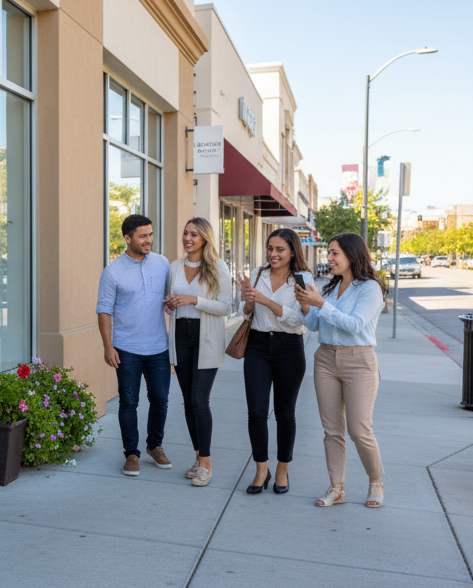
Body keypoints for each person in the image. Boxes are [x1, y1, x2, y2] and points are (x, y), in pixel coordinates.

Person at [296, 232, 386, 509]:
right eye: (329, 253)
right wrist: (305, 304)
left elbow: (355, 324)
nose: (329, 258)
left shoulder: (369, 288)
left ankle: (376, 481)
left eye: (335, 253)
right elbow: (313, 325)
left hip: (359, 361)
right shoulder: (329, 288)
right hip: (326, 358)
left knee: (359, 429)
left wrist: (321, 305)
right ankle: (337, 488)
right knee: (332, 430)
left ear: (352, 255)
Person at [238, 229, 313, 495]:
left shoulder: (303, 280)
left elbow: (302, 320)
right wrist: (248, 301)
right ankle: (261, 469)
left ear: (293, 251)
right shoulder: (258, 273)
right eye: (270, 248)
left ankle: (282, 469)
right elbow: (245, 312)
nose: (273, 254)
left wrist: (266, 301)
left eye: (280, 249)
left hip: (288, 348)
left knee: (285, 413)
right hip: (257, 346)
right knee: (256, 411)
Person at [96, 214, 173, 477]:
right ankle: (131, 453)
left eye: (150, 234)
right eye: (143, 236)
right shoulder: (113, 272)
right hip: (126, 348)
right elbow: (104, 311)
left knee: (160, 400)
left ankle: (155, 445)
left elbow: (169, 300)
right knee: (129, 402)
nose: (149, 240)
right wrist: (108, 346)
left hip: (159, 347)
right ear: (127, 238)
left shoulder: (163, 264)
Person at [164, 217, 231, 487]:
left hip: (206, 337)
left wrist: (194, 300)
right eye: (185, 233)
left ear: (205, 238)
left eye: (194, 234)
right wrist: (171, 304)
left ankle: (206, 463)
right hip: (180, 336)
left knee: (200, 399)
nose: (188, 238)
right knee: (188, 401)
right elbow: (171, 306)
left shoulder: (217, 267)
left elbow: (226, 306)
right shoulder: (174, 267)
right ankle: (197, 458)